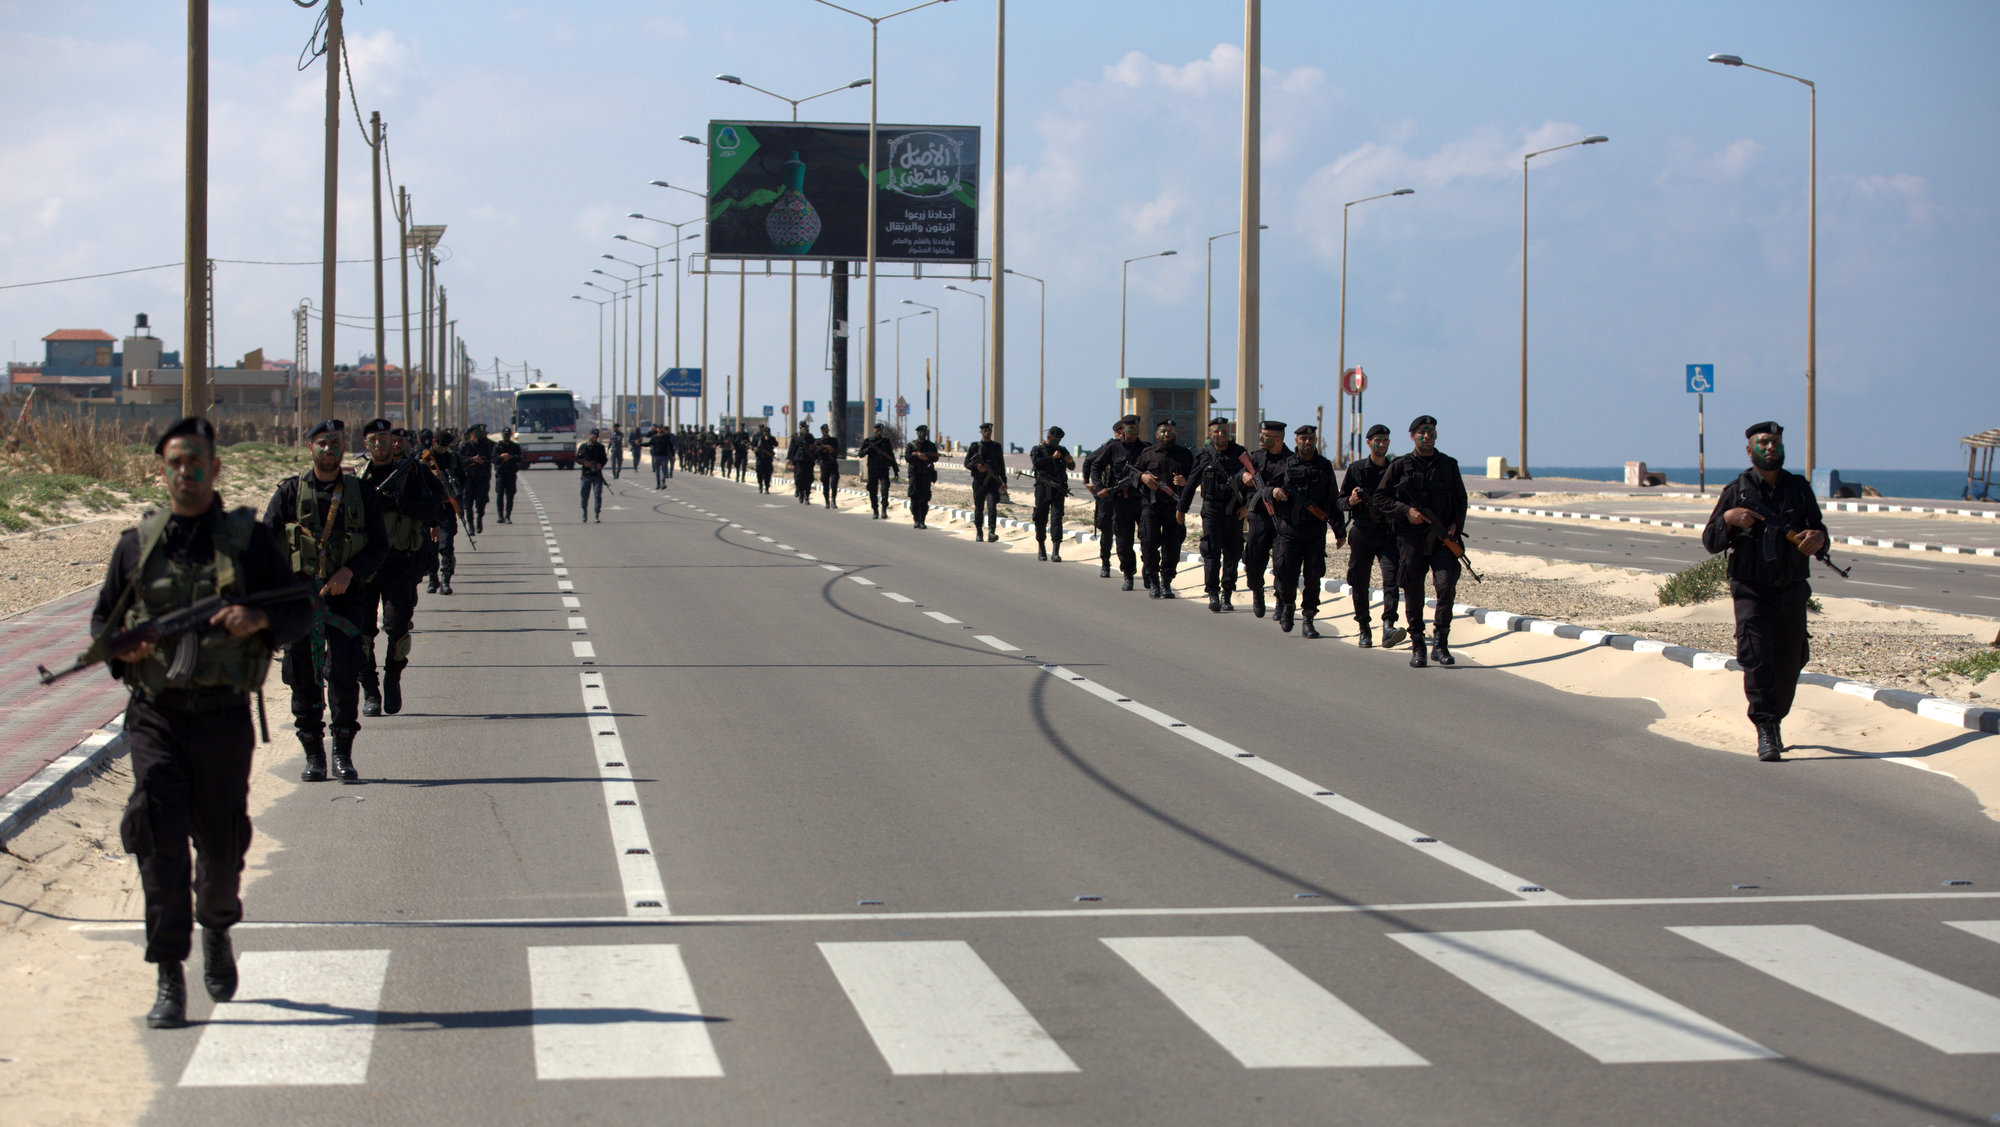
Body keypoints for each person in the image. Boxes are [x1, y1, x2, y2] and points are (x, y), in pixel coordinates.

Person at [91, 417, 312, 1029]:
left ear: (215, 469)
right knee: (158, 843)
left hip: (222, 718)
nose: (184, 473)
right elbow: (102, 624)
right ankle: (169, 974)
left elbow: (298, 607)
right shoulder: (136, 545)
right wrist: (122, 650)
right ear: (161, 471)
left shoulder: (247, 542)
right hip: (156, 718)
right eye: (174, 464)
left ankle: (215, 926)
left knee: (220, 844)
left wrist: (258, 622)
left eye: (196, 463)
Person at [262, 419, 388, 781]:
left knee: (345, 675)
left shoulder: (362, 495)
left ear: (343, 447)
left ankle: (342, 754)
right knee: (303, 678)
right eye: (322, 443)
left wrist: (349, 573)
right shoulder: (289, 493)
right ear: (310, 448)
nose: (329, 449)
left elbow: (378, 546)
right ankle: (314, 756)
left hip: (347, 601)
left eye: (335, 443)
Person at [1701, 421, 1829, 761]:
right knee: (1756, 657)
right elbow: (1710, 542)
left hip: (1791, 589)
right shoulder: (1737, 490)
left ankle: (1776, 714)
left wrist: (1818, 538)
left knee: (1790, 660)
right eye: (1763, 443)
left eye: (1775, 442)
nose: (1770, 447)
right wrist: (1728, 518)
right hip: (1751, 590)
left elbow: (1819, 531)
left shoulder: (1799, 489)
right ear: (1749, 450)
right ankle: (1766, 727)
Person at [356, 420, 440, 717]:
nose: (379, 444)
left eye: (384, 438)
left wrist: (396, 502)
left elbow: (431, 509)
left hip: (399, 562)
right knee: (362, 632)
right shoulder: (357, 476)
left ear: (393, 441)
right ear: (366, 444)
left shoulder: (411, 473)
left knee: (398, 627)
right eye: (373, 439)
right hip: (364, 566)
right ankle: (370, 689)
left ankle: (393, 679)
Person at [1375, 415, 1469, 668]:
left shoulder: (1448, 465)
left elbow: (1461, 499)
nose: (1427, 436)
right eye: (1422, 432)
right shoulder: (1400, 466)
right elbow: (1380, 498)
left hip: (1442, 539)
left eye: (1431, 432)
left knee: (1446, 586)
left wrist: (1455, 524)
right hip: (1412, 540)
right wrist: (1406, 511)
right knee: (1414, 593)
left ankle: (1441, 643)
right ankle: (1418, 645)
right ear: (1413, 436)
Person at [1268, 424, 1346, 636]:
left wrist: (1339, 531)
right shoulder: (1286, 465)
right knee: (1286, 572)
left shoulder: (1324, 466)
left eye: (1311, 439)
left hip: (1315, 531)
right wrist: (1274, 492)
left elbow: (1333, 498)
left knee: (1313, 575)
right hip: (1290, 530)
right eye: (1303, 439)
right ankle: (1287, 605)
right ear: (1297, 441)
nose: (1307, 442)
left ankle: (1308, 618)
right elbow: (1266, 488)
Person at [1337, 424, 1407, 649]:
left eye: (1386, 440)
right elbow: (1339, 501)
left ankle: (1388, 625)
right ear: (1369, 443)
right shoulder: (1357, 469)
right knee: (1359, 581)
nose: (1383, 444)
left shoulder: (1395, 469)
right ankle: (1364, 629)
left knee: (1392, 578)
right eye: (1378, 440)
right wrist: (1351, 502)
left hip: (1388, 533)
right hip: (1362, 531)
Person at [1179, 417, 1251, 612]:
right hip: (1211, 510)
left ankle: (1227, 593)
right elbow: (1191, 483)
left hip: (1234, 511)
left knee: (1233, 553)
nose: (1221, 434)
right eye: (1216, 432)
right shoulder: (1204, 456)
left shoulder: (1240, 454)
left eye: (1224, 431)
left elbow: (1253, 483)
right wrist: (1181, 509)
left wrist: (1248, 506)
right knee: (1211, 551)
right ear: (1210, 434)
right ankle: (1212, 593)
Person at [1133, 418, 1195, 597]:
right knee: (1149, 543)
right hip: (1151, 507)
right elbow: (1132, 472)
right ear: (1157, 434)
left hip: (1175, 508)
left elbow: (1195, 477)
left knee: (1172, 547)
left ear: (1175, 434)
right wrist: (1143, 478)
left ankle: (1166, 582)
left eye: (1170, 431)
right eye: (1163, 431)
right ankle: (1153, 581)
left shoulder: (1184, 455)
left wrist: (1185, 481)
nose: (1167, 434)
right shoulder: (1147, 454)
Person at [1090, 414, 1150, 589]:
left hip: (1142, 501)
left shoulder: (1146, 449)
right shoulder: (1113, 448)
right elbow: (1095, 466)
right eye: (1129, 428)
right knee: (1123, 541)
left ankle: (1149, 572)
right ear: (1123, 429)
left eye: (1136, 428)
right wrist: (1099, 486)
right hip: (1121, 501)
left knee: (1148, 538)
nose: (1133, 431)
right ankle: (1128, 574)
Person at [1240, 420, 1292, 618]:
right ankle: (1257, 592)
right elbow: (1239, 475)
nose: (1261, 439)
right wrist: (1243, 476)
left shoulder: (1291, 460)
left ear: (1277, 439)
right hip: (1259, 518)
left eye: (1266, 436)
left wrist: (1275, 492)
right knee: (1253, 560)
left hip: (1282, 519)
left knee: (1283, 563)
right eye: (1261, 435)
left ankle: (1280, 600)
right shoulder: (1255, 457)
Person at [1081, 419, 1126, 578]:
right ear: (1115, 433)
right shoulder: (1109, 447)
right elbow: (1089, 461)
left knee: (1124, 532)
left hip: (1126, 497)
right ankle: (1105, 563)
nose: (1123, 434)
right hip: (1108, 494)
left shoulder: (1134, 447)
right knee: (1106, 531)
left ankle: (1126, 566)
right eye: (1120, 432)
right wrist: (1088, 483)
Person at [420, 429, 461, 596]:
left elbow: (462, 481)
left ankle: (445, 580)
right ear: (434, 443)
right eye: (440, 445)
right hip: (429, 509)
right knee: (430, 547)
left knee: (446, 546)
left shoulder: (452, 458)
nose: (443, 449)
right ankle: (432, 578)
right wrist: (431, 476)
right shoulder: (424, 459)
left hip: (447, 507)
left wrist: (453, 484)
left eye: (446, 446)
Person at [1028, 426, 1075, 561]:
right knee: (1040, 518)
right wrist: (1051, 458)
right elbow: (1036, 463)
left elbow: (1072, 467)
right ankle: (1041, 547)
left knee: (1056, 518)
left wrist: (1070, 461)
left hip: (1058, 489)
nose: (1056, 442)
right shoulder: (1037, 450)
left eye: (1056, 439)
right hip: (1043, 489)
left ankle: (1055, 551)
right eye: (1052, 438)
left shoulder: (1062, 450)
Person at [964, 422, 1007, 541]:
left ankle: (992, 532)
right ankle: (979, 532)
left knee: (992, 507)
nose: (987, 433)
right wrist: (976, 466)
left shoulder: (996, 447)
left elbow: (1001, 465)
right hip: (979, 482)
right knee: (979, 508)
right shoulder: (974, 446)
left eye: (989, 431)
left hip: (992, 482)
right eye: (985, 431)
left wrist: (1004, 481)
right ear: (981, 432)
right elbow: (966, 462)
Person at [455, 423, 494, 534]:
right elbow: (460, 460)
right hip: (469, 479)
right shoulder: (465, 446)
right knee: (468, 503)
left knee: (481, 501)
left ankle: (479, 519)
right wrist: (472, 459)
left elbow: (492, 457)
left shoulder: (486, 445)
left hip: (482, 478)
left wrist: (484, 461)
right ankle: (471, 525)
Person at [858, 423, 899, 518]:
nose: (879, 432)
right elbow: (860, 454)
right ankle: (875, 510)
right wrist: (869, 449)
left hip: (884, 469)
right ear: (874, 430)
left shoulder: (886, 441)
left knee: (885, 489)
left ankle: (884, 509)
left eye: (880, 430)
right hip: (872, 469)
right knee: (872, 490)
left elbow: (891, 456)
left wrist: (896, 470)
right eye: (877, 430)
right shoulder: (868, 441)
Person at [905, 424, 939, 528]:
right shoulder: (911, 445)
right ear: (917, 433)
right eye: (921, 432)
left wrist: (926, 457)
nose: (923, 434)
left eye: (925, 433)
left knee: (924, 498)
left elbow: (935, 457)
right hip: (914, 474)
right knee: (914, 497)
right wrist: (917, 456)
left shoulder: (930, 445)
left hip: (926, 474)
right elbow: (907, 458)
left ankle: (922, 520)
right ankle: (916, 519)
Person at [576, 428, 609, 522]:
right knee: (584, 496)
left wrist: (600, 465)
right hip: (586, 474)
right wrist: (584, 462)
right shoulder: (583, 447)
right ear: (589, 435)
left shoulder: (600, 447)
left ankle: (596, 514)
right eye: (593, 436)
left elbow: (604, 459)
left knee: (597, 495)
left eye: (596, 436)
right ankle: (584, 511)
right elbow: (577, 458)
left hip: (597, 475)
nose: (594, 438)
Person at [492, 426, 523, 523]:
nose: (506, 436)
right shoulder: (498, 446)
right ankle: (500, 515)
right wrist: (502, 457)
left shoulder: (515, 446)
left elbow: (521, 457)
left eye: (508, 435)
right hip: (501, 474)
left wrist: (511, 457)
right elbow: (494, 459)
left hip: (511, 474)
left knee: (510, 496)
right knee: (500, 495)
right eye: (505, 435)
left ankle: (508, 515)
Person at [814, 425, 843, 508]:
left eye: (826, 430)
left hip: (833, 464)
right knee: (825, 484)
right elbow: (815, 453)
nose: (825, 431)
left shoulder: (833, 440)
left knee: (834, 483)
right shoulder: (818, 442)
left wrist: (829, 448)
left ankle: (833, 500)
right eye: (823, 430)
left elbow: (837, 451)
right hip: (824, 465)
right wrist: (824, 447)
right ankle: (827, 501)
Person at [788, 423, 817, 504]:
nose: (805, 431)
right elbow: (793, 450)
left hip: (809, 462)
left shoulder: (811, 438)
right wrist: (792, 462)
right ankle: (801, 493)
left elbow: (815, 450)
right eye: (803, 429)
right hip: (799, 462)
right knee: (799, 479)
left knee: (809, 480)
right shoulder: (798, 439)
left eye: (806, 429)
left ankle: (807, 496)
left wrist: (816, 459)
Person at [751, 425, 776, 493]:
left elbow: (776, 444)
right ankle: (760, 486)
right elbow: (752, 445)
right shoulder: (758, 437)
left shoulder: (771, 438)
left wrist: (770, 440)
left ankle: (767, 487)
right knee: (759, 472)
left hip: (768, 458)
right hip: (760, 457)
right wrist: (754, 448)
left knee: (768, 473)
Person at [653, 423, 678, 488]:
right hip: (658, 455)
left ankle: (666, 477)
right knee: (658, 470)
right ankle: (658, 484)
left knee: (667, 466)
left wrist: (673, 453)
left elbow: (674, 444)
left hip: (666, 454)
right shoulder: (656, 436)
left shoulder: (671, 436)